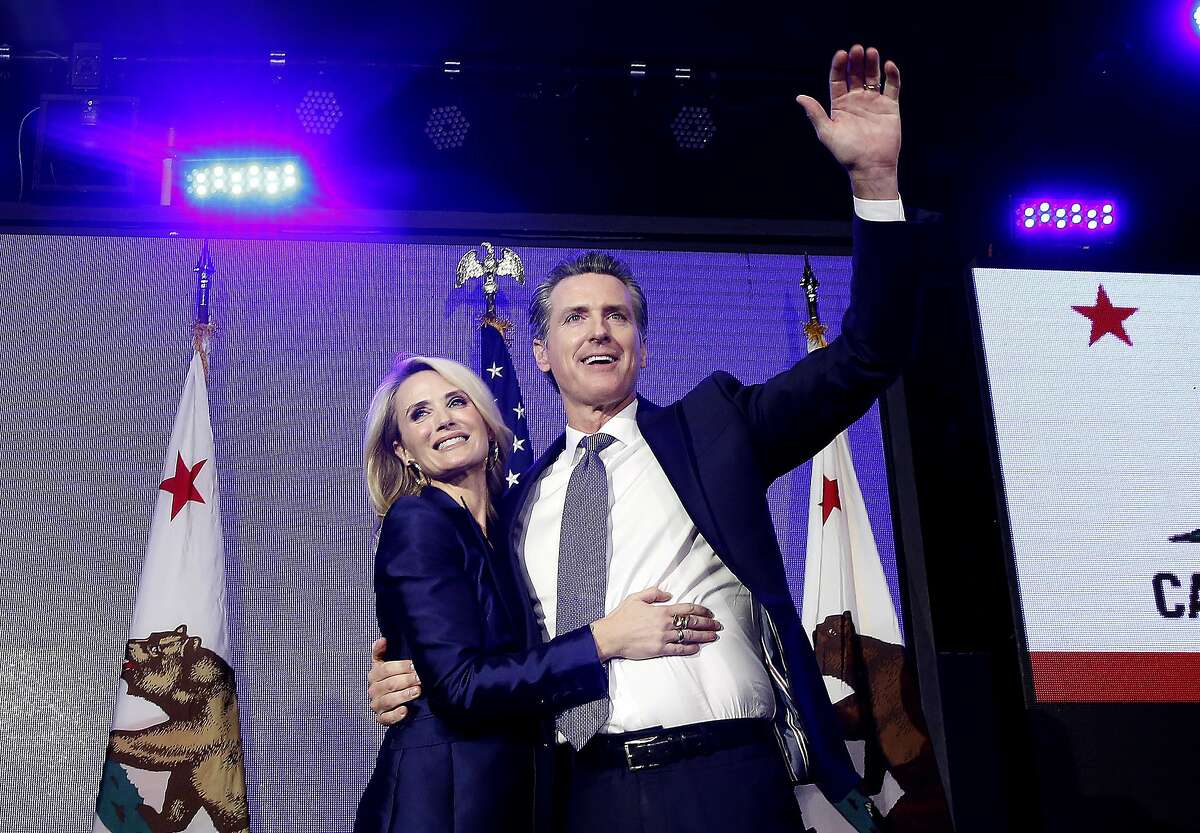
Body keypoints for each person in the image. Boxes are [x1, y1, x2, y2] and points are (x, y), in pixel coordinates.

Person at [368, 44, 918, 833]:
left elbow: (869, 352)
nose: (598, 330)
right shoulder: (517, 505)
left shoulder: (717, 429)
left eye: (617, 314)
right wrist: (405, 679)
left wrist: (874, 185)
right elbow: (479, 663)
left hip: (727, 778)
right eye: (574, 317)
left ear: (642, 345)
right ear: (541, 353)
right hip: (577, 795)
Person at [355, 355, 721, 833]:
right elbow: (460, 688)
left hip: (519, 798)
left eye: (456, 402)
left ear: (486, 422)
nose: (443, 419)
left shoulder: (514, 527)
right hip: (441, 804)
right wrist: (604, 640)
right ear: (403, 450)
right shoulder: (418, 521)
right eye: (419, 413)